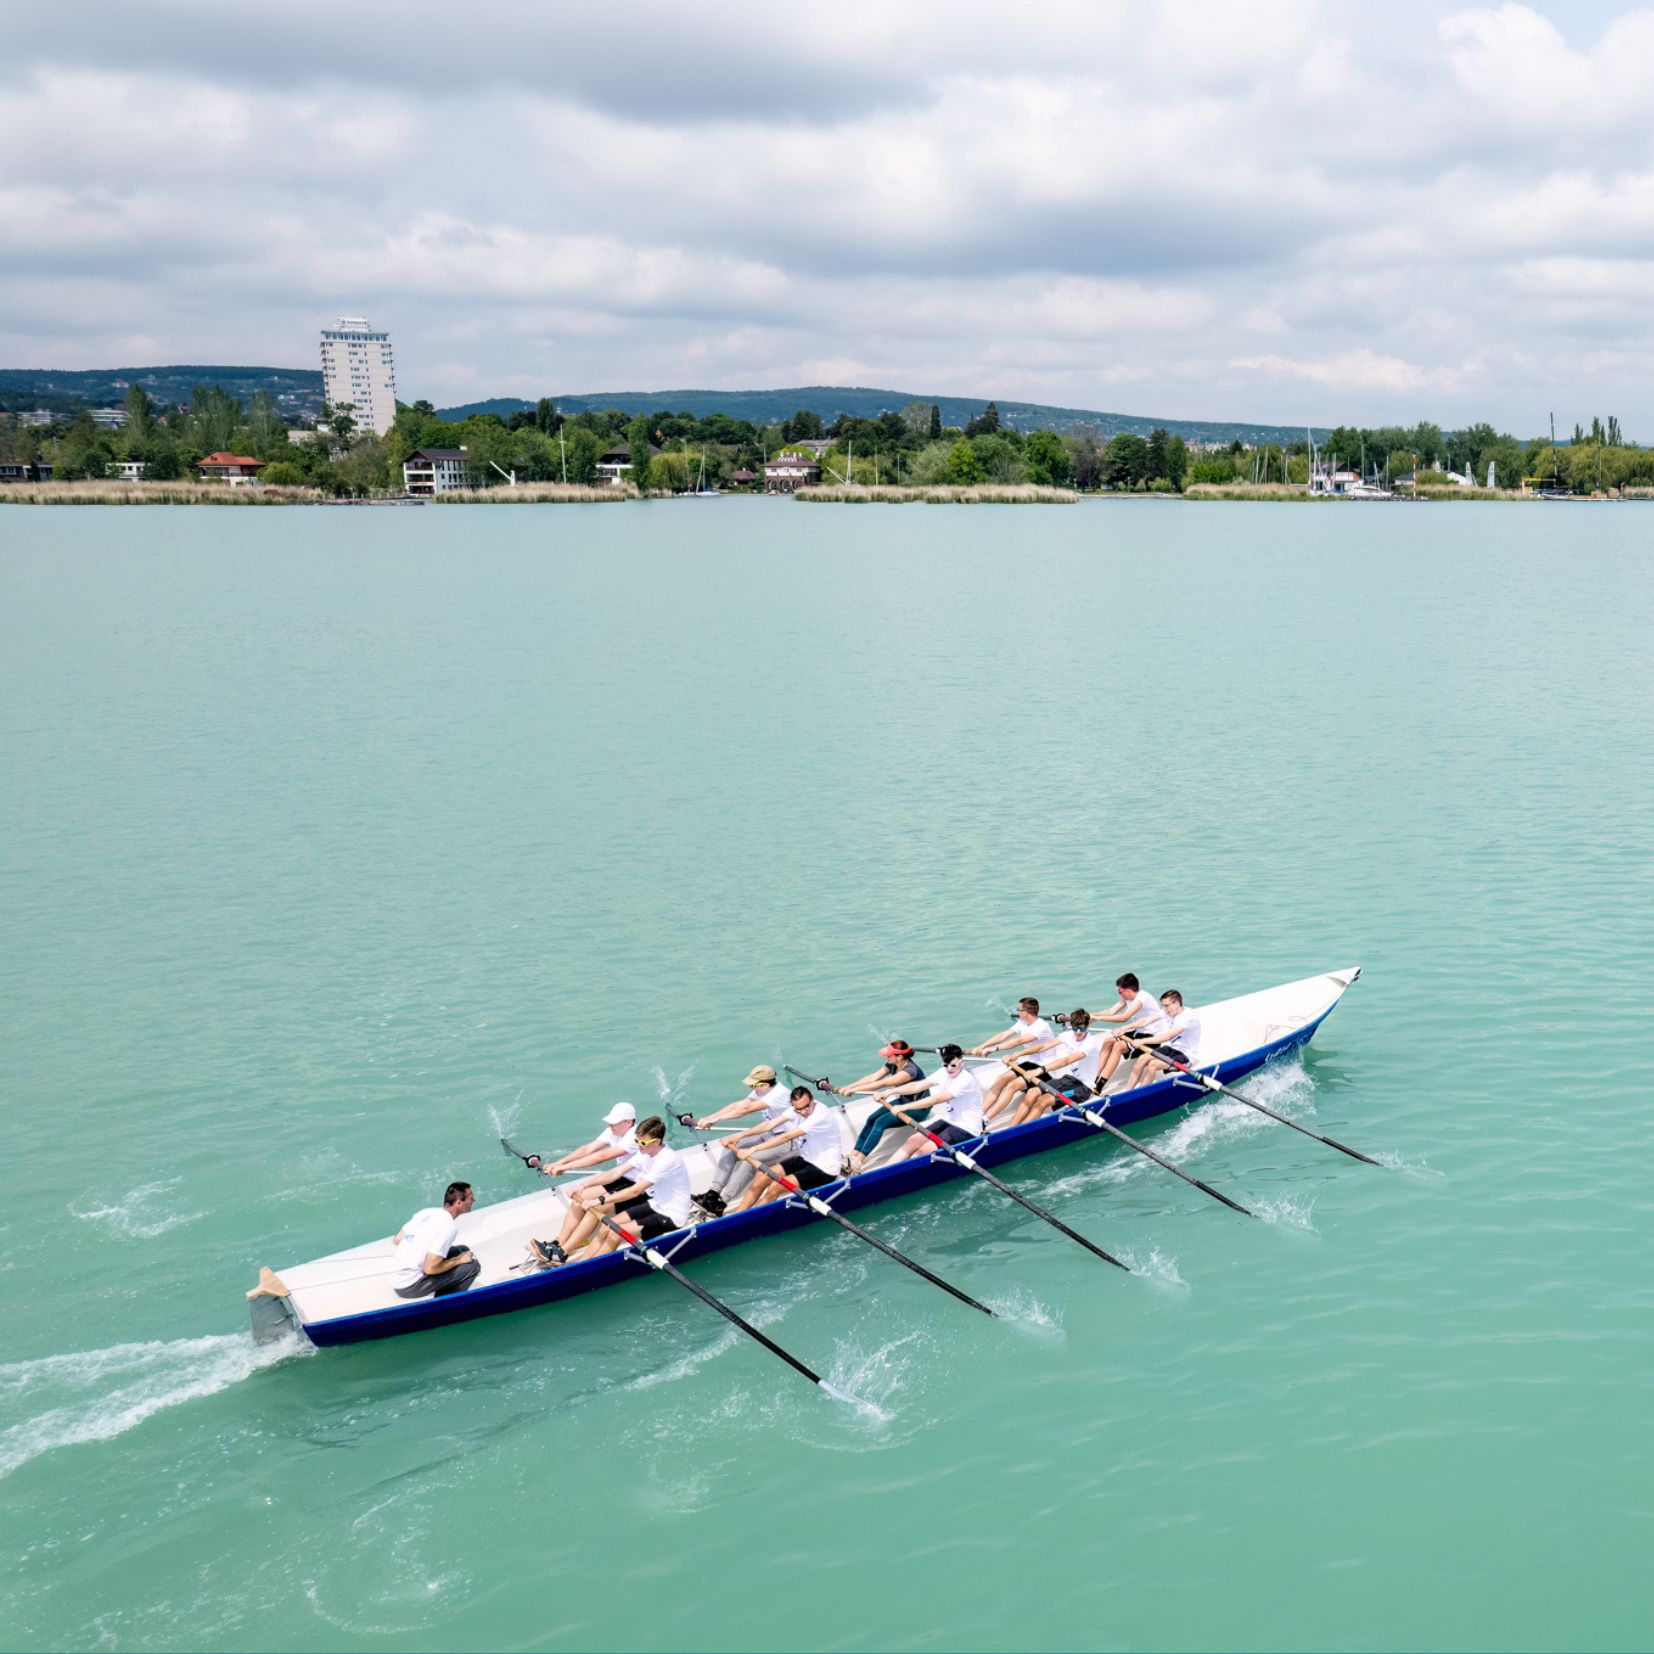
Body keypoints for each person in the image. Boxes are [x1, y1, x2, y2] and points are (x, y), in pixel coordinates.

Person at [543, 1115, 694, 1263]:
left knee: (615, 1234)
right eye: (637, 1141)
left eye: (643, 1142)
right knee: (607, 1226)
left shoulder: (667, 1160)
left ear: (657, 1141)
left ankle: (590, 1267)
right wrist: (583, 1185)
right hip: (655, 1204)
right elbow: (616, 1172)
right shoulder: (645, 1153)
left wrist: (599, 1200)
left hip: (672, 1215)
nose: (639, 1146)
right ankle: (582, 1263)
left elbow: (635, 1191)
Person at [694, 1066, 802, 1215]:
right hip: (770, 1132)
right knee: (732, 1145)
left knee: (749, 1159)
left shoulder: (779, 1094)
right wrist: (710, 1117)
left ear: (765, 1085)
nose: (751, 1088)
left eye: (753, 1085)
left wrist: (717, 1119)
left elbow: (746, 1110)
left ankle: (721, 1202)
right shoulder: (762, 1090)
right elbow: (739, 1105)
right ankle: (713, 1194)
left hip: (788, 1141)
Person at [734, 1087, 847, 1209]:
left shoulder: (820, 1116)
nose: (803, 1112)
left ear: (812, 1100)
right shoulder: (796, 1109)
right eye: (798, 1109)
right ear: (792, 1105)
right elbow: (769, 1124)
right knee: (762, 1176)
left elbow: (786, 1137)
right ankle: (738, 1215)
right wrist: (739, 1136)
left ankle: (753, 1217)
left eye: (806, 1107)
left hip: (825, 1169)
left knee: (775, 1186)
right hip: (806, 1159)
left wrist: (753, 1149)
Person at [995, 1008, 1107, 1127]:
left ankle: (1019, 1132)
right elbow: (1043, 1046)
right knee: (1032, 1092)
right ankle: (1010, 1128)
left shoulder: (1089, 1043)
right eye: (1075, 1028)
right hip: (1070, 1079)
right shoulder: (1067, 1035)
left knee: (1043, 1100)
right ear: (1071, 1026)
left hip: (1084, 1088)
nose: (1078, 1032)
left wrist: (1039, 1070)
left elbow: (1066, 1060)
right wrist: (1016, 1054)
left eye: (1082, 1028)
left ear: (1087, 1026)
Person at [876, 1045, 987, 1161]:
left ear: (962, 1063)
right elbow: (917, 1086)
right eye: (945, 1065)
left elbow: (937, 1099)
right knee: (913, 1140)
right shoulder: (943, 1072)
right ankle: (884, 1170)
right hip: (949, 1122)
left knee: (924, 1150)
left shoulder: (965, 1079)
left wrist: (904, 1107)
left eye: (953, 1065)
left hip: (968, 1128)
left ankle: (906, 1170)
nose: (949, 1069)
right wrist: (889, 1091)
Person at [840, 1040, 926, 1171]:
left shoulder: (909, 1071)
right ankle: (853, 1155)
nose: (886, 1057)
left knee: (881, 1122)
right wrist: (849, 1087)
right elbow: (872, 1077)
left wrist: (853, 1090)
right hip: (903, 1102)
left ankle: (858, 1162)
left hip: (918, 1107)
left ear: (899, 1056)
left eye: (889, 1055)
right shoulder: (893, 1064)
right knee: (871, 1118)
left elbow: (882, 1084)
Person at [970, 998, 1059, 1121]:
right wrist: (982, 1046)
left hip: (1045, 1069)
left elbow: (1019, 1041)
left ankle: (985, 1120)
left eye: (1018, 1009)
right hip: (1031, 1063)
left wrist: (994, 1049)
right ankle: (978, 1115)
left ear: (1026, 1012)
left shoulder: (1041, 1026)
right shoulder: (1022, 1022)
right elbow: (1003, 1035)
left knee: (1011, 1086)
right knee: (1001, 1079)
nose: (1017, 1012)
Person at [388, 1181, 480, 1299]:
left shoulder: (427, 1212)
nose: (474, 1200)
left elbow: (397, 1239)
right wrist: (458, 1260)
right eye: (471, 1198)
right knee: (472, 1266)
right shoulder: (448, 1227)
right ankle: (445, 1305)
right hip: (409, 1286)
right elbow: (429, 1268)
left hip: (395, 1277)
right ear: (459, 1203)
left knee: (463, 1250)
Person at [1090, 973, 1170, 1090]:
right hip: (1139, 1031)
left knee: (1118, 1046)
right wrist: (1092, 1016)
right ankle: (1096, 1077)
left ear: (1128, 989)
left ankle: (1099, 1086)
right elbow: (1111, 1011)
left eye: (1120, 991)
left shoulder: (1141, 999)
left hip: (1153, 1037)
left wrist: (1099, 1019)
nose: (1119, 993)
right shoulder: (1127, 998)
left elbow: (1124, 1017)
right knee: (1108, 1041)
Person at [526, 1102, 637, 1177]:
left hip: (637, 1182)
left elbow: (603, 1156)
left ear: (628, 1122)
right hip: (623, 1175)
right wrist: (558, 1163)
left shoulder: (634, 1136)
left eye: (614, 1122)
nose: (610, 1125)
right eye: (610, 1122)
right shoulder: (613, 1130)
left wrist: (565, 1167)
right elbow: (587, 1149)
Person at [1124, 989, 1203, 1088]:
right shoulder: (1168, 1011)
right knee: (1142, 1058)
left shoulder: (1187, 1016)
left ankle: (1139, 1093)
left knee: (1153, 1064)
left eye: (1166, 1005)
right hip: (1171, 1049)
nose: (1164, 1009)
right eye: (1163, 1006)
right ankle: (1127, 1090)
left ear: (1176, 1003)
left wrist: (1142, 1041)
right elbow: (1146, 1020)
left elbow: (1168, 1036)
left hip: (1186, 1055)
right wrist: (1125, 1028)